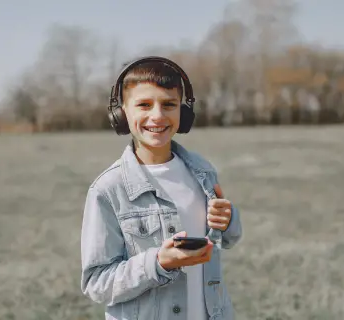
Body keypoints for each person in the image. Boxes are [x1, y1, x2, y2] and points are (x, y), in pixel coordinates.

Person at [80, 56, 242, 320]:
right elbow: (96, 283)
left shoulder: (201, 169)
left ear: (184, 112)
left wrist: (227, 221)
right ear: (122, 112)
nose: (157, 115)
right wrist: (158, 263)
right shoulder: (108, 189)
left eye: (169, 105)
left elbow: (225, 240)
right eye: (144, 104)